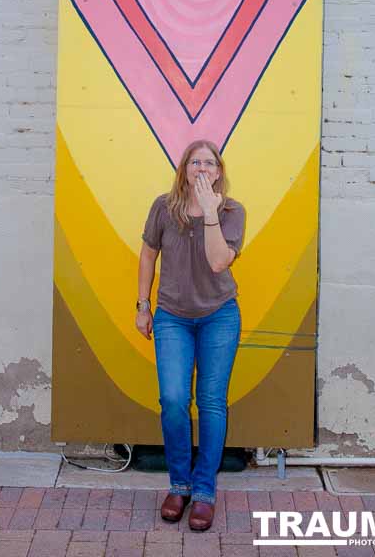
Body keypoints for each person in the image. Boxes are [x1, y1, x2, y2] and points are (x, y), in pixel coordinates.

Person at [135, 139, 245, 532]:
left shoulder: (232, 212)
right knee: (174, 398)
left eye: (209, 163)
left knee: (212, 402)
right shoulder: (164, 208)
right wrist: (143, 305)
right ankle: (178, 484)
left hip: (219, 316)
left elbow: (219, 262)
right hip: (172, 318)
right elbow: (148, 253)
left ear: (218, 172)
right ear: (184, 169)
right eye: (195, 162)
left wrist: (211, 212)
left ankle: (203, 492)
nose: (202, 168)